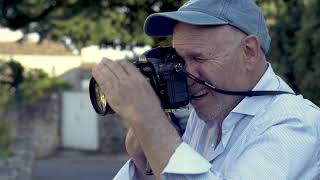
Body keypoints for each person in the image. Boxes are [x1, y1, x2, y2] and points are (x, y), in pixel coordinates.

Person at [92, 0, 320, 179]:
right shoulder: (207, 115)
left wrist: (151, 123)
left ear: (249, 52)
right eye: (179, 61)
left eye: (198, 58)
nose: (185, 75)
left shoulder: (295, 125)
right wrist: (144, 164)